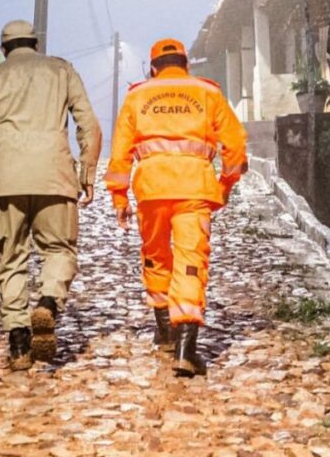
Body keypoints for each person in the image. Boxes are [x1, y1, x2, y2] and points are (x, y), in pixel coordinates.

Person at [0, 20, 101, 371]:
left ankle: (19, 343)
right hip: (55, 175)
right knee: (60, 250)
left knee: (11, 260)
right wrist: (88, 173)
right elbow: (89, 125)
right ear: (36, 44)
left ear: (4, 50)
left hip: (7, 180)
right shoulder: (62, 71)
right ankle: (49, 304)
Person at [105, 38, 247, 378]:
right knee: (190, 262)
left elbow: (121, 149)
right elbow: (236, 144)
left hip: (151, 189)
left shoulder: (138, 96)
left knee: (155, 255)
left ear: (153, 68)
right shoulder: (207, 92)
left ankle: (165, 331)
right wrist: (225, 185)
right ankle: (186, 349)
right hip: (194, 187)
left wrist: (119, 197)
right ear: (186, 64)